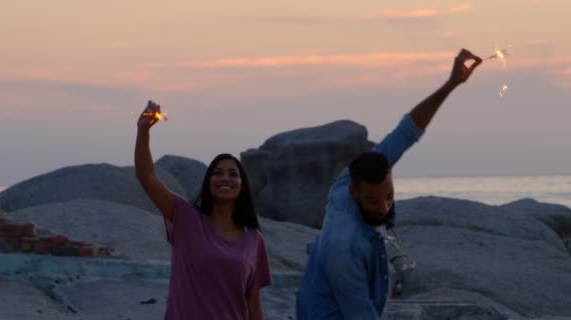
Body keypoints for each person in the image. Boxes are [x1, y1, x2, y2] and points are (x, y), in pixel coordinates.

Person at [296, 48, 483, 319]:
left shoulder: (350, 180)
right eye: (373, 201)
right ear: (354, 192)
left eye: (389, 196)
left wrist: (451, 84)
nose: (384, 207)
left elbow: (407, 132)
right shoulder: (345, 247)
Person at [135, 102, 272, 320]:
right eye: (217, 173)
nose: (225, 178)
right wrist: (143, 130)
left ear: (242, 185)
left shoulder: (254, 240)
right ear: (208, 182)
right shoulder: (186, 218)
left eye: (233, 174)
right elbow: (146, 176)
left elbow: (253, 307)